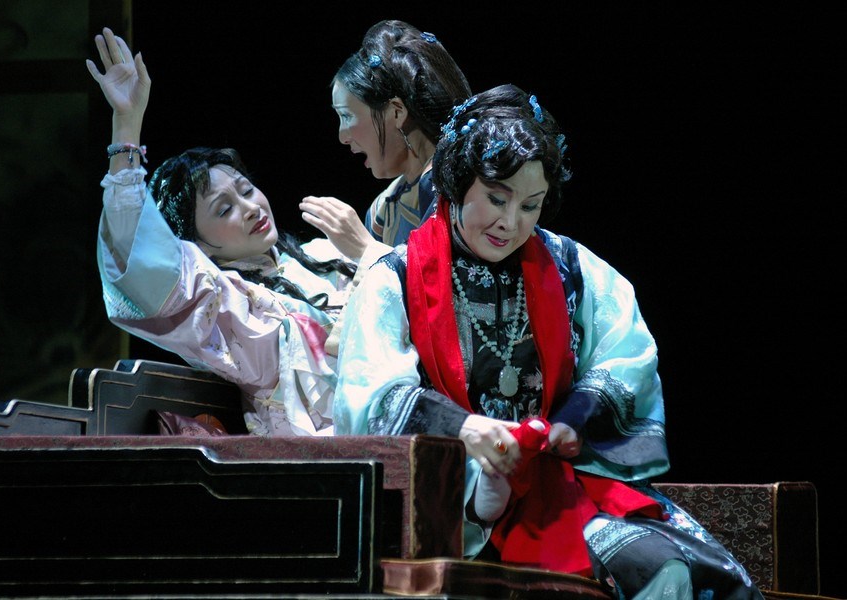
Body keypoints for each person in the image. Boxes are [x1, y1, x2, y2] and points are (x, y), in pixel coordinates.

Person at [335, 84, 765, 599]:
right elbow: (371, 395)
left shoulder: (568, 268)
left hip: (558, 485)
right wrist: (467, 430)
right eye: (497, 199)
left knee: (675, 571)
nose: (510, 222)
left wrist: (574, 419)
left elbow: (626, 355)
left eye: (531, 205)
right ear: (457, 183)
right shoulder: (395, 279)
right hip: (450, 504)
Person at [86, 27, 388, 437]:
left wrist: (368, 252)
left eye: (246, 190)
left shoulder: (325, 254)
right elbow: (138, 252)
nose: (249, 208)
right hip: (327, 454)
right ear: (194, 247)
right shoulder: (225, 307)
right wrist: (126, 127)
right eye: (224, 208)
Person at [299, 19, 472, 259]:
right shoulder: (383, 208)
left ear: (396, 112)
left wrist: (365, 250)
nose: (342, 137)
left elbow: (441, 277)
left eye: (347, 116)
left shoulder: (458, 187)